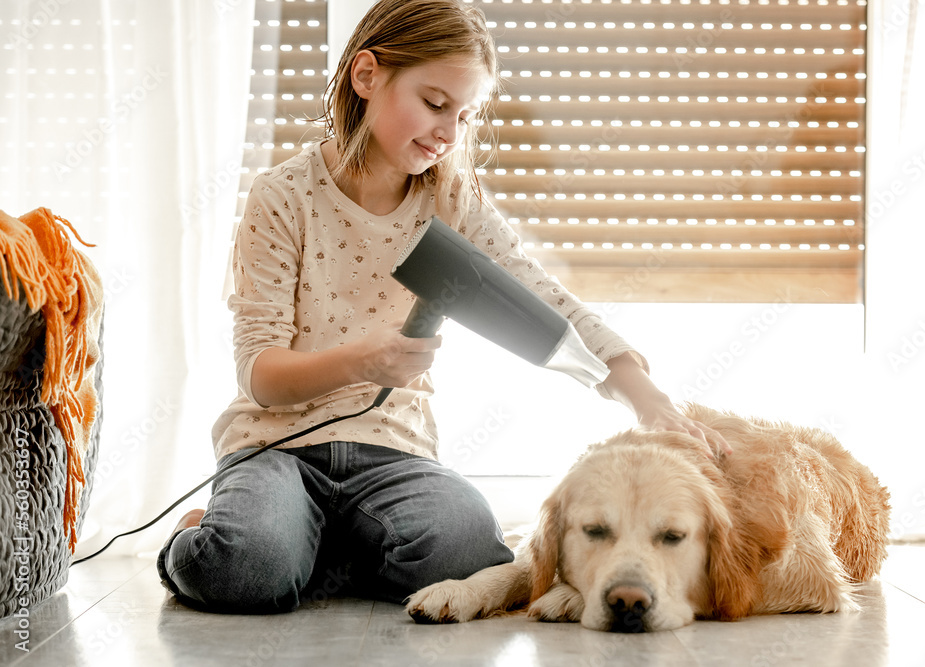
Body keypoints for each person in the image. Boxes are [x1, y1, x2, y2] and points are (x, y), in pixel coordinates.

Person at [157, 0, 730, 614]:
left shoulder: (451, 201)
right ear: (366, 76)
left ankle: (311, 543)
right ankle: (212, 531)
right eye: (435, 104)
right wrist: (361, 363)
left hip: (392, 452)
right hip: (277, 447)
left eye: (465, 114)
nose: (449, 133)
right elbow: (262, 377)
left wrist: (645, 399)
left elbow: (544, 299)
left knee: (466, 551)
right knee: (248, 571)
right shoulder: (282, 198)